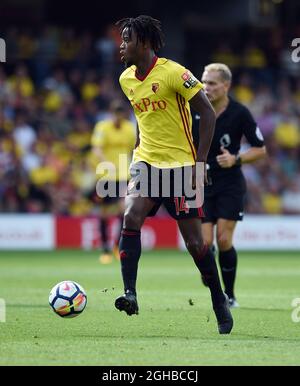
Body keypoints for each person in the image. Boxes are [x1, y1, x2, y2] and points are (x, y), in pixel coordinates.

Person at [114, 15, 233, 334]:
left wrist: (200, 161)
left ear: (144, 42)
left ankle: (218, 299)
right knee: (131, 217)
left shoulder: (174, 72)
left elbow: (207, 111)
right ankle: (130, 293)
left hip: (181, 167)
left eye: (127, 39)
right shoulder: (126, 79)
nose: (121, 45)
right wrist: (139, 148)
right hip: (147, 163)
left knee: (196, 244)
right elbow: (143, 119)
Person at [192, 63, 267, 307]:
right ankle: (211, 276)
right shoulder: (194, 109)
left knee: (223, 239)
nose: (206, 87)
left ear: (226, 86)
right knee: (203, 245)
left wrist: (236, 158)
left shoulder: (240, 113)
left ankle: (229, 295)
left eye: (212, 83)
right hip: (202, 185)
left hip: (230, 184)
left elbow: (260, 149)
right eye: (204, 81)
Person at [91, 99, 136, 264]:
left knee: (123, 210)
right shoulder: (102, 127)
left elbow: (134, 148)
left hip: (124, 175)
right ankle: (105, 249)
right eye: (116, 114)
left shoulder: (129, 128)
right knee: (104, 213)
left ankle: (117, 246)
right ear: (111, 114)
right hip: (106, 176)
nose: (118, 118)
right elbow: (96, 148)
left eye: (121, 114)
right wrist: (106, 163)